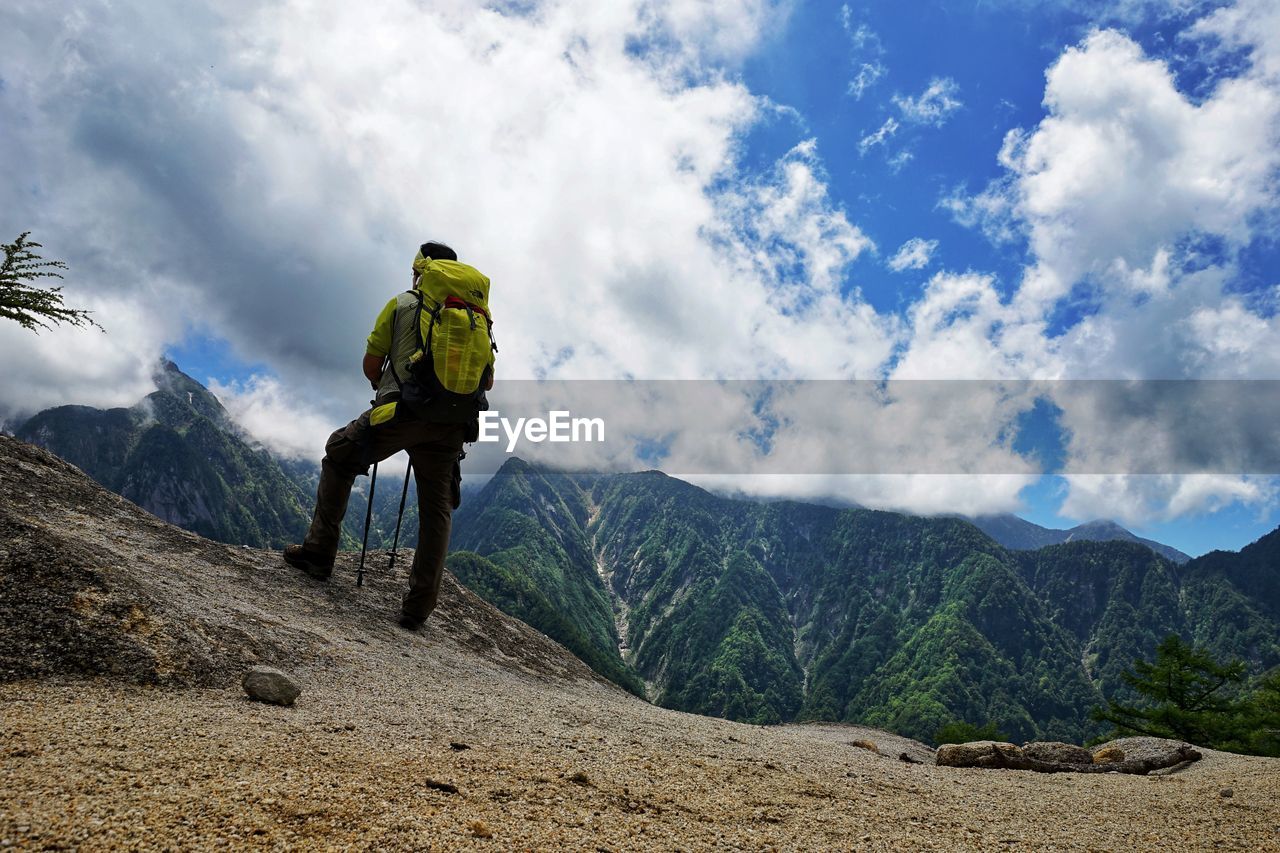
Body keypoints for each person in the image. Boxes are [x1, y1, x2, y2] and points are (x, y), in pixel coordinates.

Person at [283, 240, 493, 632]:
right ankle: (418, 608)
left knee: (339, 453)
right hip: (451, 427)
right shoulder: (476, 317)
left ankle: (318, 553)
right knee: (437, 509)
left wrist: (390, 388)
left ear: (419, 271)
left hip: (399, 414)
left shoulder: (402, 304)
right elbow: (488, 379)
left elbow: (370, 363)